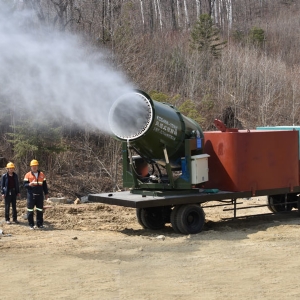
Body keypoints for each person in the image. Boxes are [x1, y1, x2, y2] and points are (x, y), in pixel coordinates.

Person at [23, 159, 49, 230]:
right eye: (33, 166)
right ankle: (31, 224)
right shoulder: (27, 175)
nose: (34, 167)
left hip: (40, 195)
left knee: (40, 210)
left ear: (37, 166)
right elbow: (24, 185)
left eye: (35, 166)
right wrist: (29, 184)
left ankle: (39, 224)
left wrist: (46, 193)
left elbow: (44, 185)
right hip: (31, 195)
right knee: (30, 210)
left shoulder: (42, 174)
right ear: (31, 167)